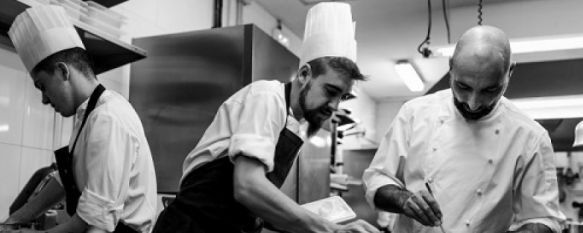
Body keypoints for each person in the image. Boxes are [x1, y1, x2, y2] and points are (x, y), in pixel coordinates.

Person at [152, 2, 378, 233]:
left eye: (343, 97)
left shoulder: (291, 125)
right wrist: (331, 230)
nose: (334, 106)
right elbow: (248, 186)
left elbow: (256, 205)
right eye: (330, 92)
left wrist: (329, 224)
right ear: (304, 75)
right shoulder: (266, 96)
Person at [363, 25, 565, 233]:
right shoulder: (415, 113)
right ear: (451, 66)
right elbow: (377, 179)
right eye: (463, 87)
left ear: (509, 72)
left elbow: (544, 218)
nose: (473, 103)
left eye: (489, 90)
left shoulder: (531, 137)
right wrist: (403, 200)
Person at [3, 5, 157, 233]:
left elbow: (94, 224)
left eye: (43, 87)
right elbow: (65, 179)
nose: (44, 100)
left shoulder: (108, 118)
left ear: (63, 72)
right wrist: (15, 219)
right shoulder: (87, 115)